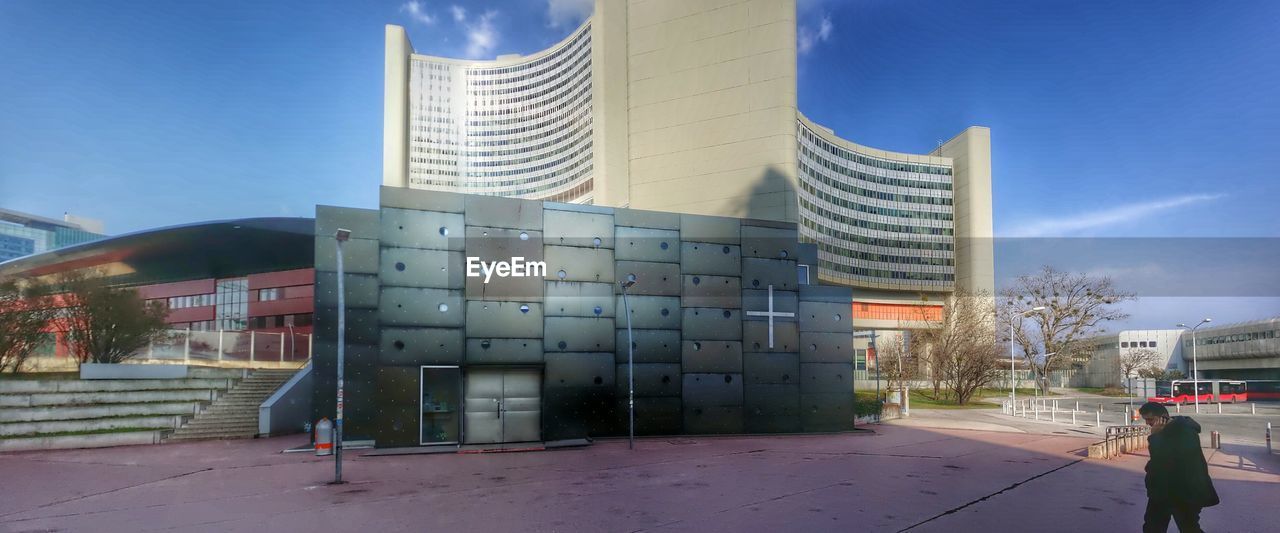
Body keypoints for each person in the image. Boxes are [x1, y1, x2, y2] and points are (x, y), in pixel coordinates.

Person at [1138, 401, 1219, 532]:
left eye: (1150, 419)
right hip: (1163, 491)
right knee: (1152, 527)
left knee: (1188, 528)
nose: (1148, 423)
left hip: (1184, 493)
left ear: (1163, 417)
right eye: (1146, 420)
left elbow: (1163, 460)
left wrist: (1155, 437)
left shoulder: (1185, 432)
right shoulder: (1168, 430)